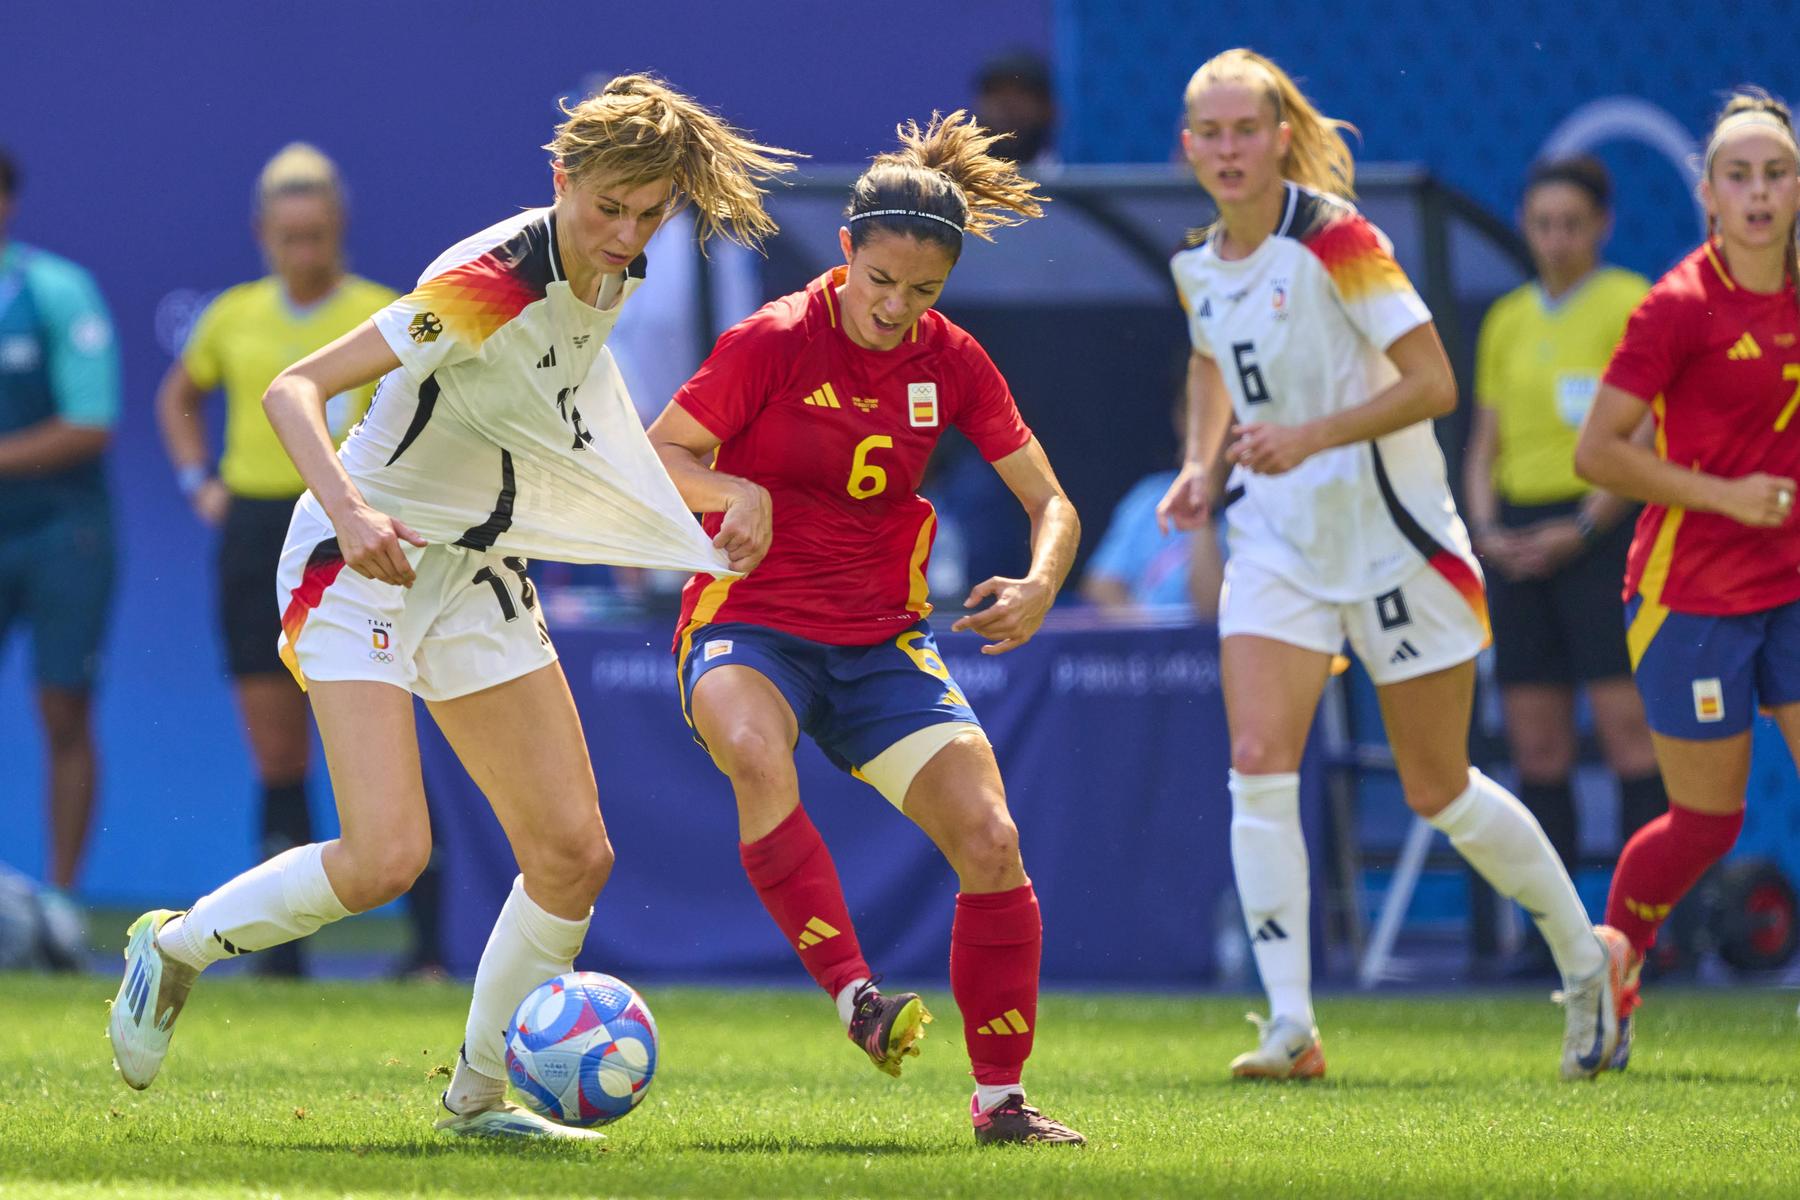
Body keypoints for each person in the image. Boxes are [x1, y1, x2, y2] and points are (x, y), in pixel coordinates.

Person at [107, 75, 799, 1140]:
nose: (625, 233)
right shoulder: (492, 280)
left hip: (477, 569)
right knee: (387, 857)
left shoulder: (614, 271)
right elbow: (294, 389)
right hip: (361, 561)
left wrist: (727, 488)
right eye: (606, 207)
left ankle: (476, 1101)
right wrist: (351, 517)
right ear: (558, 177)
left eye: (649, 212)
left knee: (574, 856)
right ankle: (173, 948)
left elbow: (573, 435)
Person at [1156, 48, 1627, 1083]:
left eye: (1247, 129)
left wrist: (1311, 434)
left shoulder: (1339, 239)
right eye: (1212, 133)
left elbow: (1433, 383)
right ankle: (1290, 1026)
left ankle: (1587, 960)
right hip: (1277, 540)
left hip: (1395, 541)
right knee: (1256, 759)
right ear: (1188, 147)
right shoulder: (1197, 261)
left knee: (1438, 787)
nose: (1229, 150)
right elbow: (1207, 358)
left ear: (1281, 135)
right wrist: (1200, 466)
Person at [647, 111, 1086, 1145]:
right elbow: (657, 454)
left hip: (882, 638)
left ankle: (1002, 1106)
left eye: (923, 291)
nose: (896, 309)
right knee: (757, 753)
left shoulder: (955, 361)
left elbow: (1052, 502)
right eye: (880, 281)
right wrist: (731, 488)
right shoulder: (771, 341)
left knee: (991, 839)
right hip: (747, 620)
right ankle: (857, 998)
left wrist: (1040, 582)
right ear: (845, 254)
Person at [1574, 87, 1800, 1070]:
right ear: (1707, 194)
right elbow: (1599, 453)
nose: (1759, 193)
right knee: (1708, 821)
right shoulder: (1675, 307)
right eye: (1739, 176)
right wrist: (1722, 494)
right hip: (1690, 596)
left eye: (1777, 173)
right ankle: (1610, 966)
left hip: (1791, 588)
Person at [154, 144, 399, 977]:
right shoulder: (232, 315)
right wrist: (200, 481)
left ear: (340, 229)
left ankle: (431, 949)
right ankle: (280, 959)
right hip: (256, 529)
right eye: (289, 236)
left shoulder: (383, 310)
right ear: (264, 233)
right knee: (277, 747)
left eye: (317, 234)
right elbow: (179, 395)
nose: (304, 251)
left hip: (352, 529)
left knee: (386, 737)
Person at [1463, 156, 1661, 974]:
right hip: (1516, 541)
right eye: (1542, 223)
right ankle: (1558, 942)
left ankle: (1645, 938)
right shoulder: (1507, 316)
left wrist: (1583, 526)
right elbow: (1484, 443)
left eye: (1572, 224)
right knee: (1537, 749)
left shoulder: (1631, 304)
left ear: (1602, 226)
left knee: (1628, 738)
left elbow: (1646, 432)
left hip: (1601, 534)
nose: (1556, 239)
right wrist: (1485, 530)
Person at [0, 146, 121, 896]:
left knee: (62, 709)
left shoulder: (53, 290)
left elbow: (90, 419)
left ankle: (61, 903)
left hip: (61, 533)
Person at [973, 50, 1058, 170]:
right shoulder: (951, 182)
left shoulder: (1075, 181)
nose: (1007, 107)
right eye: (996, 93)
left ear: (1047, 108)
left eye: (1021, 94)